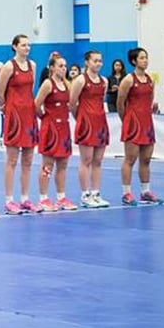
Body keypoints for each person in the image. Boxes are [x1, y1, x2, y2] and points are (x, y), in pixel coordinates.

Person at [0, 34, 40, 215]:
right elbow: (0, 93)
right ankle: (9, 201)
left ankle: (24, 198)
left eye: (28, 45)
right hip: (14, 115)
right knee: (12, 160)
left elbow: (31, 89)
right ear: (15, 47)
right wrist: (8, 110)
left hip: (29, 113)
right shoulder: (8, 67)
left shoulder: (33, 65)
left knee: (28, 160)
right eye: (23, 45)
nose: (26, 48)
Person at [118, 47, 163, 206]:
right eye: (142, 58)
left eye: (146, 57)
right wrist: (126, 120)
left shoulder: (150, 79)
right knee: (130, 159)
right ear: (134, 61)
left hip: (147, 122)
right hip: (133, 122)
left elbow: (150, 99)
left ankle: (145, 191)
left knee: (146, 159)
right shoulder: (128, 80)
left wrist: (153, 108)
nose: (145, 60)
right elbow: (120, 102)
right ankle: (126, 193)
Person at [34, 53, 78, 212]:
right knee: (47, 164)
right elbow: (36, 105)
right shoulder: (47, 84)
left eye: (65, 66)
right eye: (60, 66)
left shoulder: (67, 84)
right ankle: (43, 198)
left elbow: (72, 104)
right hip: (50, 128)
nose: (64, 68)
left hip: (64, 127)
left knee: (63, 164)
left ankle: (61, 197)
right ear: (52, 68)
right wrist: (46, 118)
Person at [69, 50, 110, 209]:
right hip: (86, 123)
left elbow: (101, 100)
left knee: (98, 161)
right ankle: (85, 194)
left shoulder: (104, 81)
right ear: (87, 62)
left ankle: (96, 193)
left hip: (100, 122)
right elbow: (72, 104)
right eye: (95, 61)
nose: (98, 63)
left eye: (100, 61)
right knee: (86, 160)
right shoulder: (80, 80)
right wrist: (81, 119)